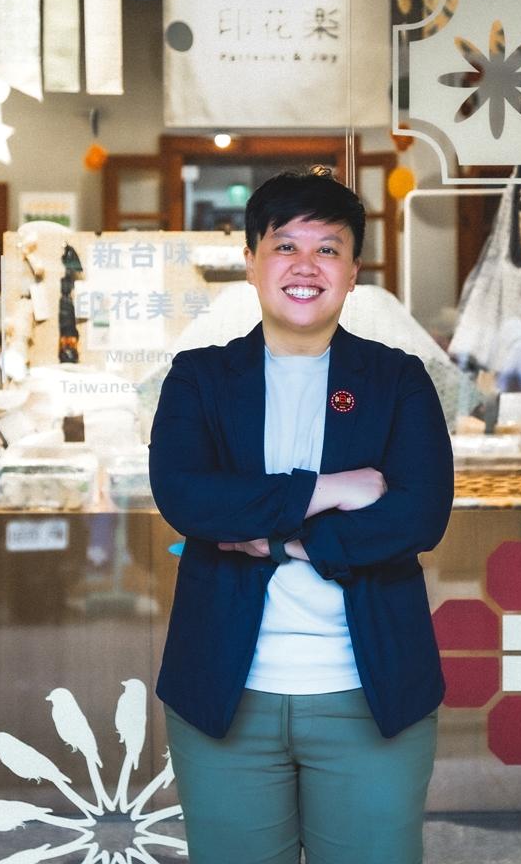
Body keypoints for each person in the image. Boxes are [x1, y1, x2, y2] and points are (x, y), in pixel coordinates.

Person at [148, 168, 454, 864]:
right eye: (285, 246)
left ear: (353, 272)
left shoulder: (396, 379)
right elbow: (188, 498)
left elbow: (419, 515)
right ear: (251, 261)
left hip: (370, 693)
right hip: (225, 693)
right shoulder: (200, 377)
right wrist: (333, 487)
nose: (305, 266)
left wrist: (282, 542)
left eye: (328, 249)